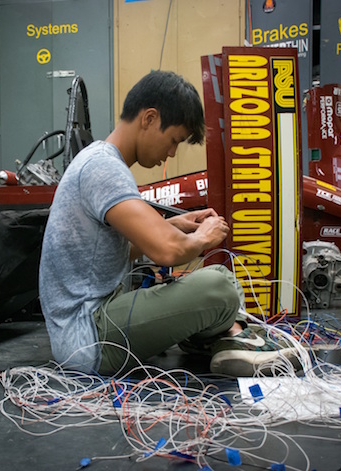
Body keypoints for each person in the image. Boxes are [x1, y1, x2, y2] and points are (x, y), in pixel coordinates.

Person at [38, 70, 295, 377]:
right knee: (219, 285)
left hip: (87, 331)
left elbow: (114, 251)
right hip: (88, 341)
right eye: (173, 140)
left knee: (214, 280)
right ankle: (230, 336)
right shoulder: (103, 167)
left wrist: (176, 224)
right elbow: (168, 252)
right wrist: (202, 236)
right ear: (148, 118)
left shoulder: (99, 160)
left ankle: (225, 335)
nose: (171, 153)